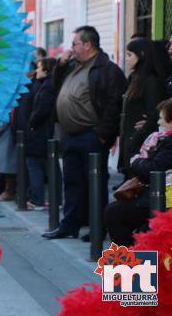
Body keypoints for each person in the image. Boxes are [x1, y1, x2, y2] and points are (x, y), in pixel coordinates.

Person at [43, 25, 126, 240]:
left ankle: (98, 227)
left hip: (92, 135)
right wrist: (60, 65)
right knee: (72, 182)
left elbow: (113, 104)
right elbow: (56, 85)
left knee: (94, 184)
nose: (71, 48)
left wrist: (102, 134)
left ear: (88, 44)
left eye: (74, 44)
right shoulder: (73, 66)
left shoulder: (107, 69)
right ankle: (69, 225)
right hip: (71, 134)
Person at [105, 98, 172, 247]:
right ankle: (134, 262)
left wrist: (136, 161)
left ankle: (133, 263)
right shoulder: (163, 139)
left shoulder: (168, 142)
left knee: (115, 213)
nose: (159, 123)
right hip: (156, 195)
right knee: (116, 212)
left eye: (162, 118)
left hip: (162, 199)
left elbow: (153, 167)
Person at [117, 38, 167, 178]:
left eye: (129, 55)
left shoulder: (151, 81)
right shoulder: (134, 78)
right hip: (130, 142)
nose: (126, 59)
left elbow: (154, 114)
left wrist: (135, 140)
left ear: (142, 54)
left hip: (141, 145)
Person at [25, 57, 56, 210]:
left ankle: (37, 200)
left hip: (40, 133)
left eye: (39, 67)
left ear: (46, 69)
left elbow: (42, 109)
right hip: (41, 132)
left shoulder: (47, 86)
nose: (37, 70)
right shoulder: (43, 84)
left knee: (35, 165)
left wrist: (31, 122)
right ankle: (49, 199)